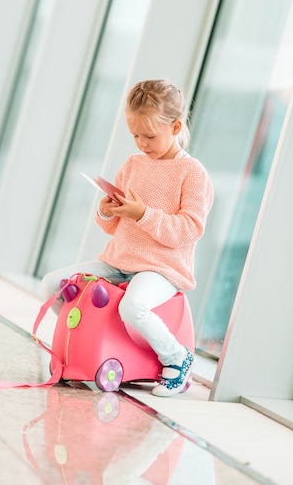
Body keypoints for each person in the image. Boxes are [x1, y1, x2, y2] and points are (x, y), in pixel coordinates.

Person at [40, 79, 213, 396]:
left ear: (175, 126)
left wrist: (141, 214)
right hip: (118, 260)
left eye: (149, 135)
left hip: (161, 268)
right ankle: (87, 341)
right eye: (134, 135)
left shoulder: (193, 173)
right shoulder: (133, 164)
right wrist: (108, 210)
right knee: (52, 284)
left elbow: (189, 229)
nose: (141, 143)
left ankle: (176, 357)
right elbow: (110, 226)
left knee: (134, 307)